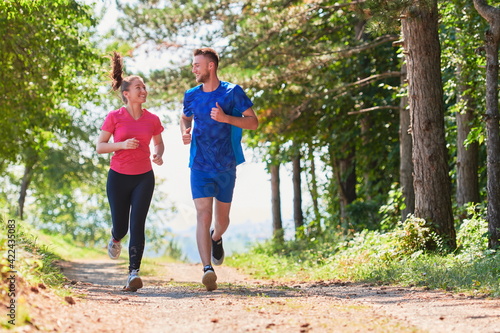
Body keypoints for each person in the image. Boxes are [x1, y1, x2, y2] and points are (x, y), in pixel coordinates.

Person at [180, 47, 258, 291]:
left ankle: (216, 237)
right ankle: (207, 269)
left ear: (210, 66)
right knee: (202, 214)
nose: (193, 69)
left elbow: (253, 122)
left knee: (221, 220)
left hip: (226, 165)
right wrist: (185, 130)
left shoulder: (232, 92)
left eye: (197, 65)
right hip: (200, 165)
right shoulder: (191, 95)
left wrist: (226, 118)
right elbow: (185, 116)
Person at [96, 52, 164, 292]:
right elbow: (100, 147)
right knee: (122, 227)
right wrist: (122, 145)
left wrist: (158, 154)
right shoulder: (115, 117)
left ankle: (133, 274)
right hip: (118, 178)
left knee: (137, 225)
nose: (143, 90)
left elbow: (159, 142)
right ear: (126, 93)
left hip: (144, 177)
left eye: (144, 87)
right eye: (138, 87)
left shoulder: (153, 119)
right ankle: (115, 239)